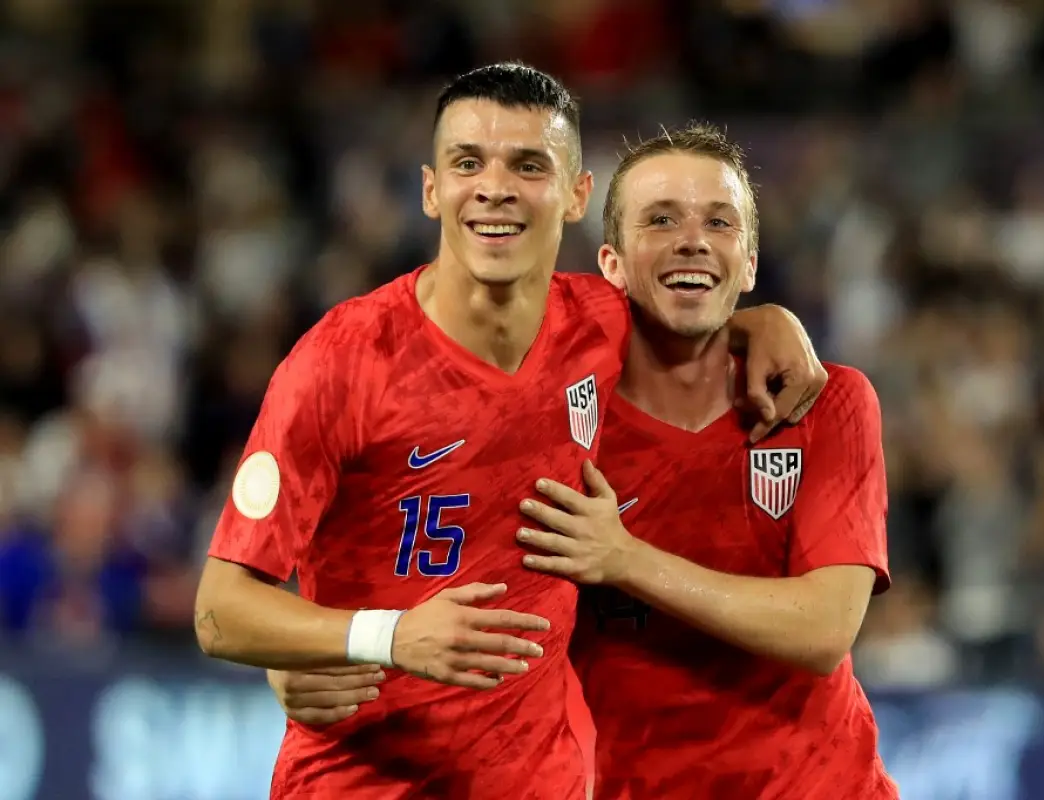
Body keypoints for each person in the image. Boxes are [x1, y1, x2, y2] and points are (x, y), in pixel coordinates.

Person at [194, 64, 826, 800]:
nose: (495, 187)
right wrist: (383, 636)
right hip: (361, 781)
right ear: (433, 190)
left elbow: (695, 320)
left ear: (577, 194)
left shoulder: (602, 325)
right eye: (469, 163)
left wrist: (769, 321)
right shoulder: (342, 363)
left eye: (528, 165)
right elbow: (219, 608)